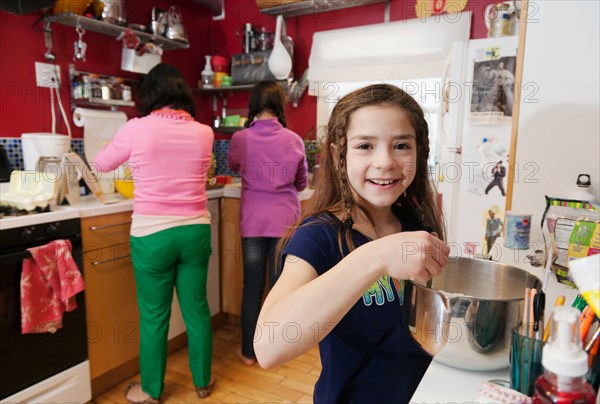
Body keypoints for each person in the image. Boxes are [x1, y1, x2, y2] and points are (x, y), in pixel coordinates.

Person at [253, 84, 450, 402]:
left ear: (419, 152)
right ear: (337, 155)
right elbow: (268, 346)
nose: (385, 161)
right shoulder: (319, 235)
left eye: (401, 145)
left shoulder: (416, 225)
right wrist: (377, 256)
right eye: (365, 146)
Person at [93, 63, 215, 403]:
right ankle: (203, 382)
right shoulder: (204, 132)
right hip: (195, 231)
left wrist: (115, 143)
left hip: (152, 234)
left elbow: (101, 164)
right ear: (182, 94)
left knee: (153, 316)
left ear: (150, 95)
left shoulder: (137, 128)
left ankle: (150, 390)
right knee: (197, 310)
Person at [227, 81, 308, 366]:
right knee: (279, 289)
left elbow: (233, 165)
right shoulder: (294, 140)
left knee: (252, 287)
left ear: (253, 105)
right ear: (279, 106)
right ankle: (275, 351)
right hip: (285, 224)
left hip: (253, 225)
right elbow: (302, 183)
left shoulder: (240, 138)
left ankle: (249, 353)